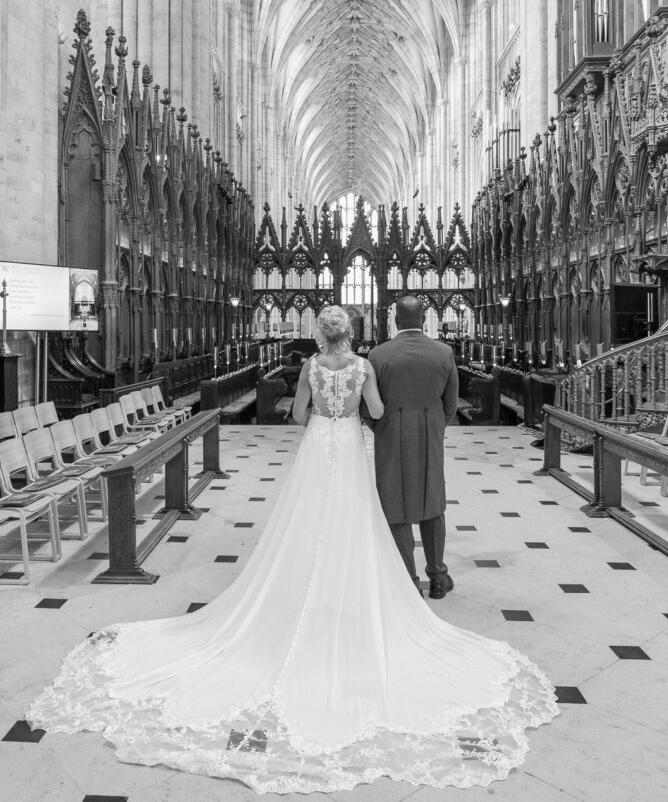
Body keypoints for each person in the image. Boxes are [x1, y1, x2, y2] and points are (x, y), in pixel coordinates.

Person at [26, 305, 558, 794]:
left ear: (318, 334)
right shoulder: (369, 365)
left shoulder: (312, 368)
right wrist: (364, 417)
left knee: (304, 521)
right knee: (360, 518)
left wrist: (327, 416)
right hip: (350, 446)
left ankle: (297, 590)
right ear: (350, 332)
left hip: (319, 448)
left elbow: (299, 417)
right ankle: (386, 584)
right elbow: (375, 411)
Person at [367, 295, 458, 598]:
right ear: (424, 319)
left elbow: (370, 405)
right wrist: (434, 425)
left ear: (395, 320)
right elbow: (450, 405)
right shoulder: (444, 352)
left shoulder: (378, 355)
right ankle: (438, 578)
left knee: (396, 507)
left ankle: (409, 582)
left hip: (391, 435)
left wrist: (381, 426)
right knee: (433, 504)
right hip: (430, 433)